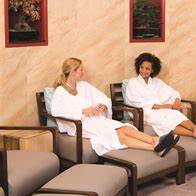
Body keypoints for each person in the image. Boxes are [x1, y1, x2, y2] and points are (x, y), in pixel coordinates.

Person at [51, 57, 179, 157]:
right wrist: (83, 111)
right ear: (73, 72)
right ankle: (154, 147)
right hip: (80, 125)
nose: (83, 72)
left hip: (96, 120)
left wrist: (102, 106)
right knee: (116, 135)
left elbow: (103, 97)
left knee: (124, 127)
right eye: (81, 69)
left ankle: (156, 140)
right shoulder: (61, 91)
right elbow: (56, 111)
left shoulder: (84, 85)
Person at [125, 53, 196, 141]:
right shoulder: (133, 82)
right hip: (141, 111)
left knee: (174, 113)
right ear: (138, 67)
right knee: (163, 120)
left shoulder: (156, 82)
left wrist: (177, 100)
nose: (143, 70)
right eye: (142, 67)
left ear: (152, 70)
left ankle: (195, 128)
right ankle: (194, 133)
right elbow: (135, 101)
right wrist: (161, 106)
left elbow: (173, 92)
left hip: (158, 110)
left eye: (147, 68)